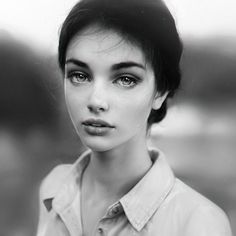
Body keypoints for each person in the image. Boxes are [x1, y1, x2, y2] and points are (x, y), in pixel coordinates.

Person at [36, 0, 232, 235]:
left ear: (160, 92)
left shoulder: (199, 223)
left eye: (126, 79)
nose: (96, 101)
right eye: (79, 75)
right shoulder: (53, 188)